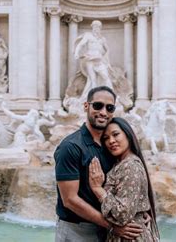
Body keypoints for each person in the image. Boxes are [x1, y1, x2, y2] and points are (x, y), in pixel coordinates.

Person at [54, 86, 144, 242]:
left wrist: (140, 215)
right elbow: (69, 200)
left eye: (109, 108)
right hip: (78, 231)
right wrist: (112, 226)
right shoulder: (70, 147)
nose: (103, 112)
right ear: (86, 106)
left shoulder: (111, 146)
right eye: (98, 105)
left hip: (109, 230)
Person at [89, 117, 160, 241]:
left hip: (130, 237)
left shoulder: (130, 165)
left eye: (116, 134)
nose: (111, 141)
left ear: (128, 135)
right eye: (106, 138)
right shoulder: (121, 163)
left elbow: (122, 215)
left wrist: (97, 189)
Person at [74, 21, 114, 101]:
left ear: (100, 28)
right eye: (95, 27)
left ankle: (111, 95)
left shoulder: (102, 39)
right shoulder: (88, 36)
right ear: (92, 27)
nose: (96, 28)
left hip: (99, 60)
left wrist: (106, 60)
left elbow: (107, 50)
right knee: (93, 79)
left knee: (105, 76)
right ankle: (94, 99)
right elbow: (81, 44)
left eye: (98, 27)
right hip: (90, 60)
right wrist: (76, 52)